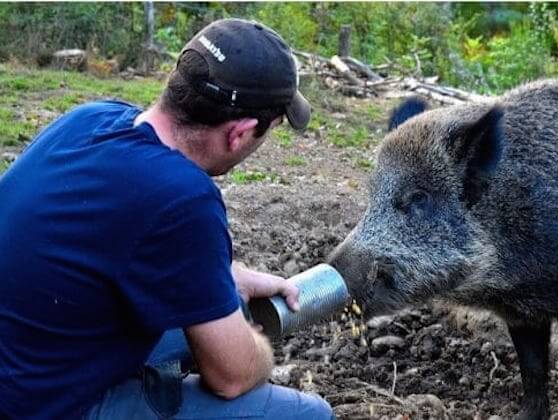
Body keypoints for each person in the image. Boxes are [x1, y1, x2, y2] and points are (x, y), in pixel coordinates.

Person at [0, 18, 333, 419]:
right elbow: (231, 377)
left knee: (227, 311)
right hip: (35, 407)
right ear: (240, 132)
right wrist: (257, 349)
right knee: (308, 413)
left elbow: (115, 236)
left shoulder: (89, 120)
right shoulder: (182, 197)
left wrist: (226, 278)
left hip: (24, 349)